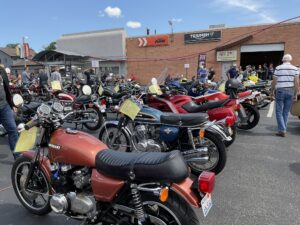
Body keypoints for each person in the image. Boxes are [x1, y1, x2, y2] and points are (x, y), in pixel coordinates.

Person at [270, 54, 299, 137]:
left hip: (280, 90)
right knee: (285, 112)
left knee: (278, 111)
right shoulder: (295, 68)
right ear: (290, 60)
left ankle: (282, 130)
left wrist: (272, 91)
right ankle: (282, 129)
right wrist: (296, 93)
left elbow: (274, 81)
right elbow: (296, 82)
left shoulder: (278, 68)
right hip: (291, 90)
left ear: (283, 60)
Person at [0, 64, 19, 159]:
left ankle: (18, 157)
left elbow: (7, 89)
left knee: (13, 129)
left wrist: (12, 104)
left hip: (4, 106)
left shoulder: (2, 70)